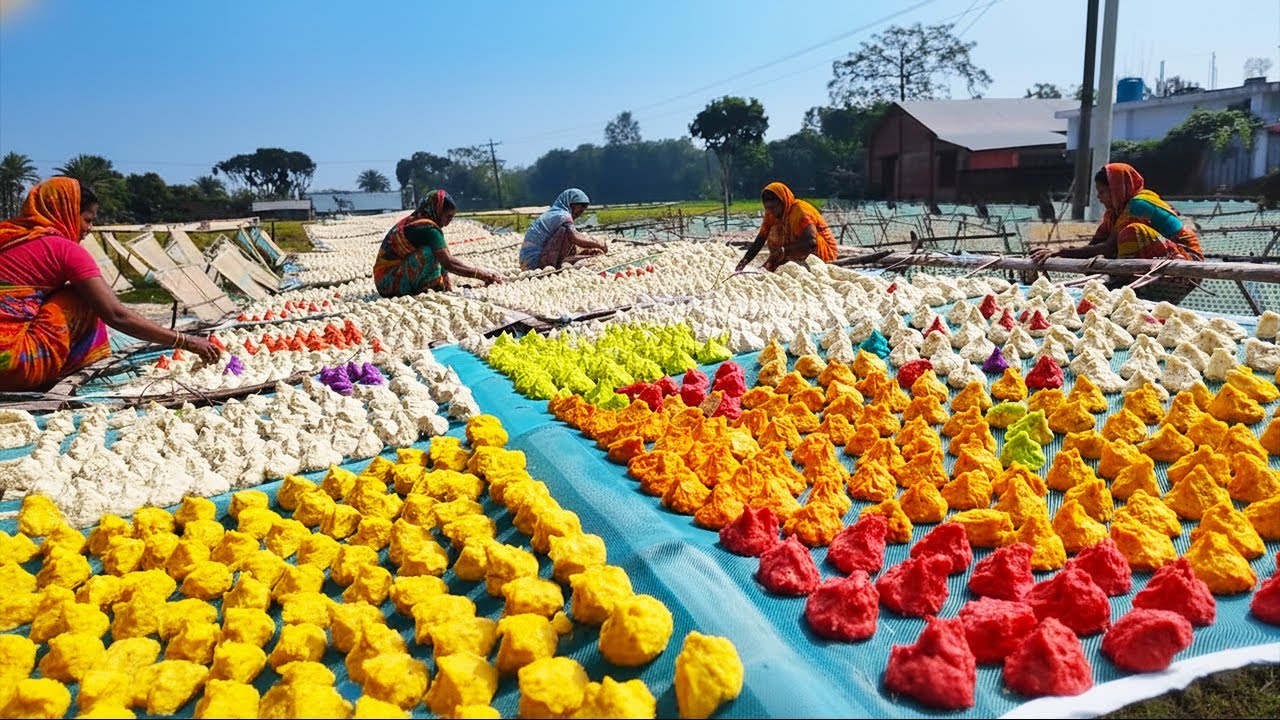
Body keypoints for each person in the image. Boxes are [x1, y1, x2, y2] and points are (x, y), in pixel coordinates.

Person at [0, 177, 220, 392]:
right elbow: (116, 315)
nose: (90, 228)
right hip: (10, 366)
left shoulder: (7, 236)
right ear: (65, 212)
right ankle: (49, 376)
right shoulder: (65, 250)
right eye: (87, 219)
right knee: (82, 299)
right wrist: (186, 341)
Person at [1030, 163, 1203, 297]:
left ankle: (1122, 281)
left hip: (1186, 262)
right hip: (1156, 261)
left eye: (1103, 192)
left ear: (1117, 189)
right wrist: (1058, 254)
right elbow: (1096, 244)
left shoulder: (1138, 204)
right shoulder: (1113, 213)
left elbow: (1108, 247)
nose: (1099, 197)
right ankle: (1119, 278)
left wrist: (1060, 252)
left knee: (1132, 232)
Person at [373, 189, 502, 298]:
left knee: (438, 251)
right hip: (388, 284)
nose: (449, 222)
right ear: (437, 211)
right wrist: (481, 275)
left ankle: (436, 287)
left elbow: (448, 259)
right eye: (448, 216)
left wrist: (480, 272)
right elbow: (448, 262)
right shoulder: (426, 228)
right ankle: (429, 288)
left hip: (385, 279)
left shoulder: (416, 220)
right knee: (430, 253)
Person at [735, 181, 839, 272]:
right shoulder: (771, 213)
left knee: (776, 232)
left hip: (823, 250)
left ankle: (792, 261)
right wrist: (745, 261)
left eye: (773, 207)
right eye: (768, 208)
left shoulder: (800, 211)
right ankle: (779, 262)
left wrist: (784, 251)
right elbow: (761, 238)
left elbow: (811, 242)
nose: (771, 211)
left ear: (783, 201)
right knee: (775, 231)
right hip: (794, 248)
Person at [519, 188, 607, 270]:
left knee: (567, 232)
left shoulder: (554, 213)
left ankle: (562, 261)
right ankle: (556, 263)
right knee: (564, 231)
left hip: (526, 262)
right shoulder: (563, 215)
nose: (579, 214)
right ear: (571, 205)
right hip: (534, 263)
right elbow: (575, 238)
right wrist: (599, 244)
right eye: (579, 210)